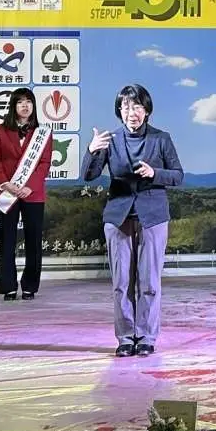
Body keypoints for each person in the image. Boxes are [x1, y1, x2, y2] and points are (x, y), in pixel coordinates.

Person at [81, 84, 184, 357]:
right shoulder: (111, 139)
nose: (131, 112)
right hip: (118, 217)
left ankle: (146, 336)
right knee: (121, 282)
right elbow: (88, 175)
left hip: (153, 217)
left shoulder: (161, 139)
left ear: (146, 110)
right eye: (125, 106)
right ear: (119, 110)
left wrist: (155, 173)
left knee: (149, 282)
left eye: (137, 106)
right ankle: (126, 337)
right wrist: (91, 150)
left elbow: (178, 175)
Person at [0, 87, 54, 300]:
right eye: (20, 102)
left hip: (33, 194)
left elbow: (44, 163)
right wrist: (4, 183)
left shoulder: (43, 133)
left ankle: (30, 286)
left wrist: (30, 186)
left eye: (29, 101)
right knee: (7, 240)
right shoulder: (1, 130)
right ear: (13, 107)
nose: (25, 106)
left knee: (33, 240)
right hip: (7, 193)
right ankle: (8, 286)